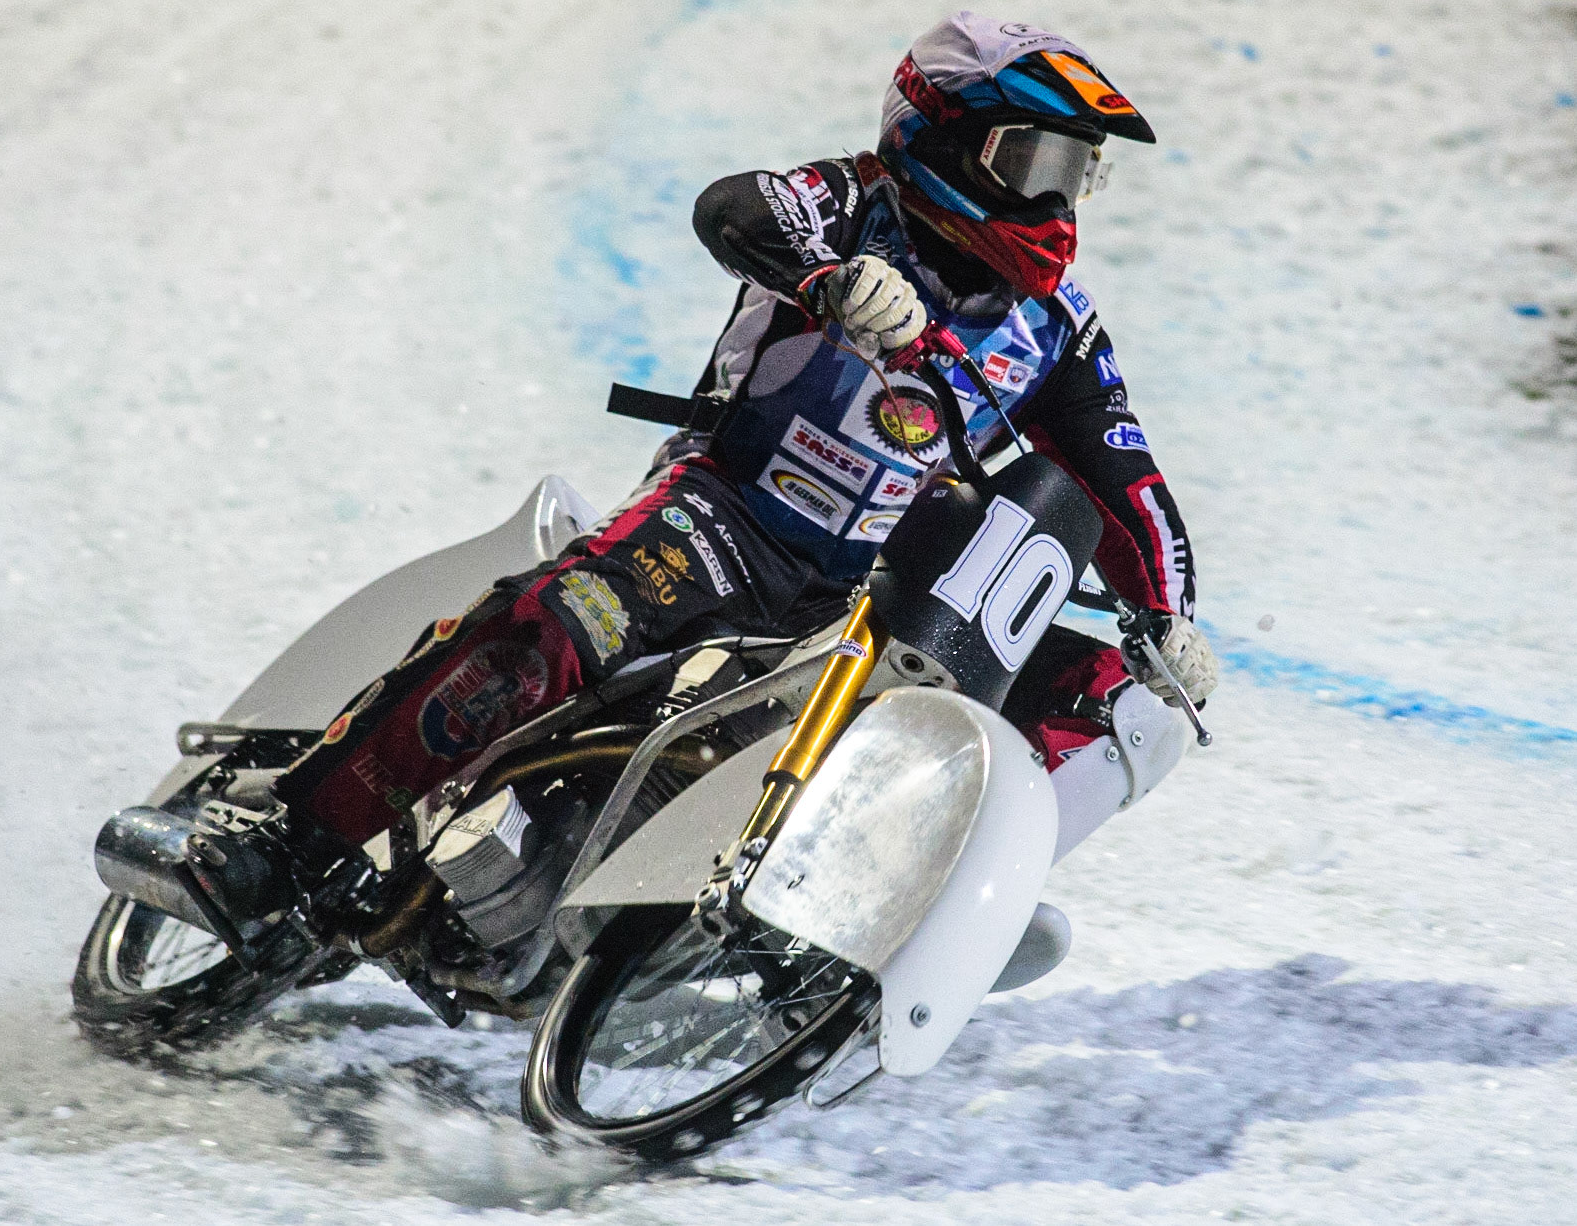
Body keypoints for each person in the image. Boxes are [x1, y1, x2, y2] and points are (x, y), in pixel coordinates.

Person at [265, 10, 1218, 891]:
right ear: (937, 135)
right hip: (720, 514)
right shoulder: (850, 202)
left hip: (875, 592)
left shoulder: (1059, 326)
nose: (1052, 200)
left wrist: (1168, 616)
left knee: (1091, 697)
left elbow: (1120, 470)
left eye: (1073, 171)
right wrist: (831, 279)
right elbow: (735, 207)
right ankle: (286, 841)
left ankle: (907, 915)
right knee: (560, 624)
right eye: (1030, 160)